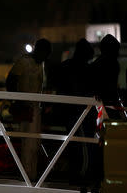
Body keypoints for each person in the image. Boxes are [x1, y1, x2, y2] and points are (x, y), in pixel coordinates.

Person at [6, 38, 51, 181]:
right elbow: (10, 81)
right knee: (28, 143)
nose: (46, 56)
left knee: (34, 143)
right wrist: (16, 101)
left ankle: (31, 174)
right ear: (39, 50)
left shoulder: (41, 64)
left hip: (36, 108)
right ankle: (27, 175)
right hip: (25, 107)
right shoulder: (23, 62)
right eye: (45, 53)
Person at [53, 38, 94, 184]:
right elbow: (81, 89)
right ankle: (83, 174)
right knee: (85, 145)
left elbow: (58, 86)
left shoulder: (66, 65)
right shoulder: (84, 68)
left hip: (68, 111)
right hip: (80, 111)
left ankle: (75, 172)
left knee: (73, 143)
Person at [90, 34, 121, 118]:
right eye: (116, 50)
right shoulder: (112, 64)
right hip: (104, 106)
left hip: (105, 106)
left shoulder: (96, 64)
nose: (118, 53)